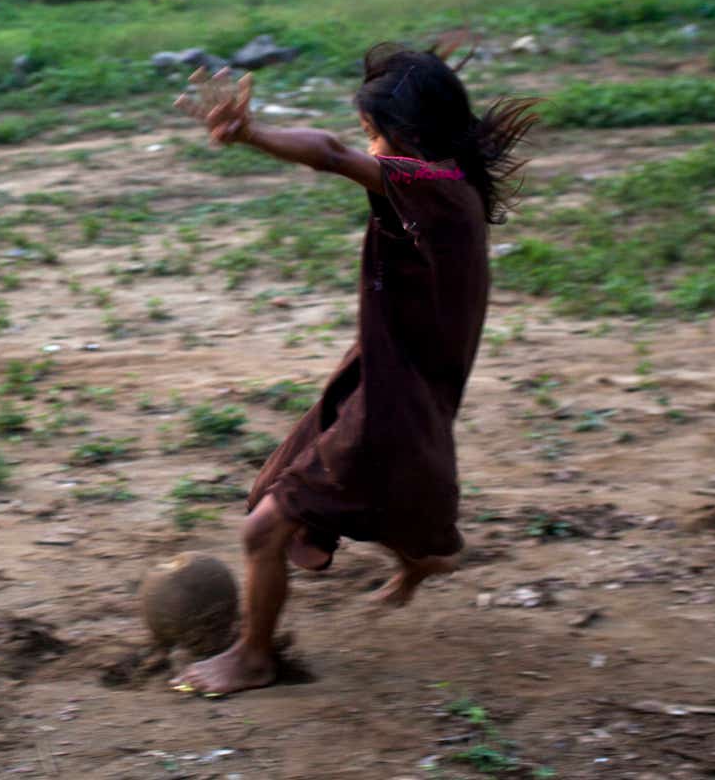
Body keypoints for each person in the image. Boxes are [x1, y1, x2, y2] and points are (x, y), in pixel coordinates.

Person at [169, 46, 539, 695]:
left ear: (409, 135)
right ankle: (419, 558)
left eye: (374, 133)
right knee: (324, 484)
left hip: (396, 401)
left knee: (267, 526)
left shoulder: (435, 190)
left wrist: (252, 134)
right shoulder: (450, 182)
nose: (371, 148)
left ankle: (254, 657)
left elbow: (332, 153)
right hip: (386, 378)